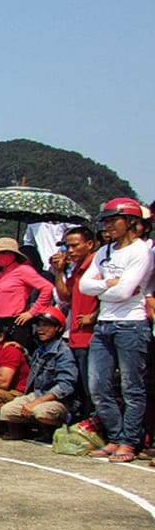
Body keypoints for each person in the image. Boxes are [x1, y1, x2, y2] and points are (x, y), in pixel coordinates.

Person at [79, 198, 153, 463]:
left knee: (131, 387)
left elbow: (125, 292)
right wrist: (111, 285)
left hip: (131, 323)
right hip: (104, 324)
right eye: (106, 221)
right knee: (98, 385)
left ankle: (129, 442)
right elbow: (84, 286)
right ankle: (115, 436)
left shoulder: (142, 251)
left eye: (113, 220)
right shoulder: (104, 251)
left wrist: (106, 287)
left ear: (131, 222)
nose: (108, 226)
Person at [0, 307, 78, 440]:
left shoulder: (63, 352)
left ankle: (51, 431)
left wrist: (37, 402)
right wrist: (23, 351)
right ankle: (25, 431)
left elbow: (65, 385)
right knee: (7, 411)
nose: (40, 329)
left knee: (41, 411)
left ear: (58, 328)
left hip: (59, 400)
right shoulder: (40, 349)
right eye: (39, 325)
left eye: (46, 325)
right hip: (38, 394)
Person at [50, 226, 98, 416]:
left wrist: (93, 316)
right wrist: (59, 272)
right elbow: (65, 296)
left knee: (93, 386)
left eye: (75, 246)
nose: (70, 251)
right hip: (76, 335)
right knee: (81, 385)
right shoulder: (77, 269)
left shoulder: (96, 266)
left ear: (90, 244)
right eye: (67, 247)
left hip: (91, 335)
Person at [0, 237, 54, 350]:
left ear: (13, 255)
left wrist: (32, 312)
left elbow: (47, 288)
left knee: (14, 356)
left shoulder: (23, 270)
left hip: (16, 321)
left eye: (4, 253)